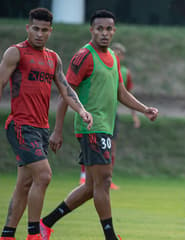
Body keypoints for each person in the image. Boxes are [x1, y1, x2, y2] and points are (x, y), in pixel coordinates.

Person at [39, 9, 158, 240]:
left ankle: (46, 223)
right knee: (104, 182)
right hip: (91, 126)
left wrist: (144, 109)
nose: (104, 33)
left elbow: (121, 93)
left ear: (114, 31)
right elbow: (66, 93)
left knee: (92, 187)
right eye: (99, 29)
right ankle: (111, 236)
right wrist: (57, 130)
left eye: (108, 29)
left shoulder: (113, 57)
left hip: (106, 127)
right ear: (91, 30)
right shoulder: (84, 56)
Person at [0, 8, 92, 240]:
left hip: (41, 129)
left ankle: (7, 234)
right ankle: (34, 234)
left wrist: (81, 110)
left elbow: (66, 89)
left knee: (25, 183)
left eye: (44, 30)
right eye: (35, 29)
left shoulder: (53, 59)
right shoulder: (16, 53)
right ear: (28, 28)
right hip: (21, 126)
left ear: (50, 31)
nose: (39, 34)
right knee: (44, 176)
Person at [78, 42, 141, 190]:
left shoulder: (124, 72)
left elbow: (126, 94)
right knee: (89, 147)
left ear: (123, 56)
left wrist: (135, 115)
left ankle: (108, 178)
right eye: (115, 52)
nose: (116, 55)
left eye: (119, 53)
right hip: (94, 115)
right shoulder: (96, 64)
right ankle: (84, 177)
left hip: (112, 115)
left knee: (112, 148)